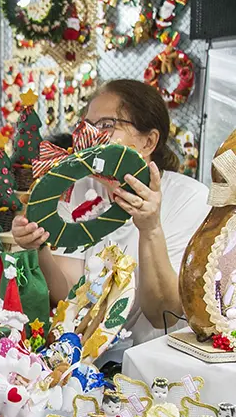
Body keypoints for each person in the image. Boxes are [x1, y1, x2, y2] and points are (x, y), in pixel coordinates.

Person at [12, 79, 209, 355]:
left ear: (148, 141)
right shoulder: (79, 189)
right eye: (87, 127)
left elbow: (162, 314)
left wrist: (150, 229)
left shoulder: (189, 198)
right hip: (85, 354)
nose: (90, 138)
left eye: (106, 125)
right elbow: (68, 294)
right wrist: (40, 244)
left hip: (153, 360)